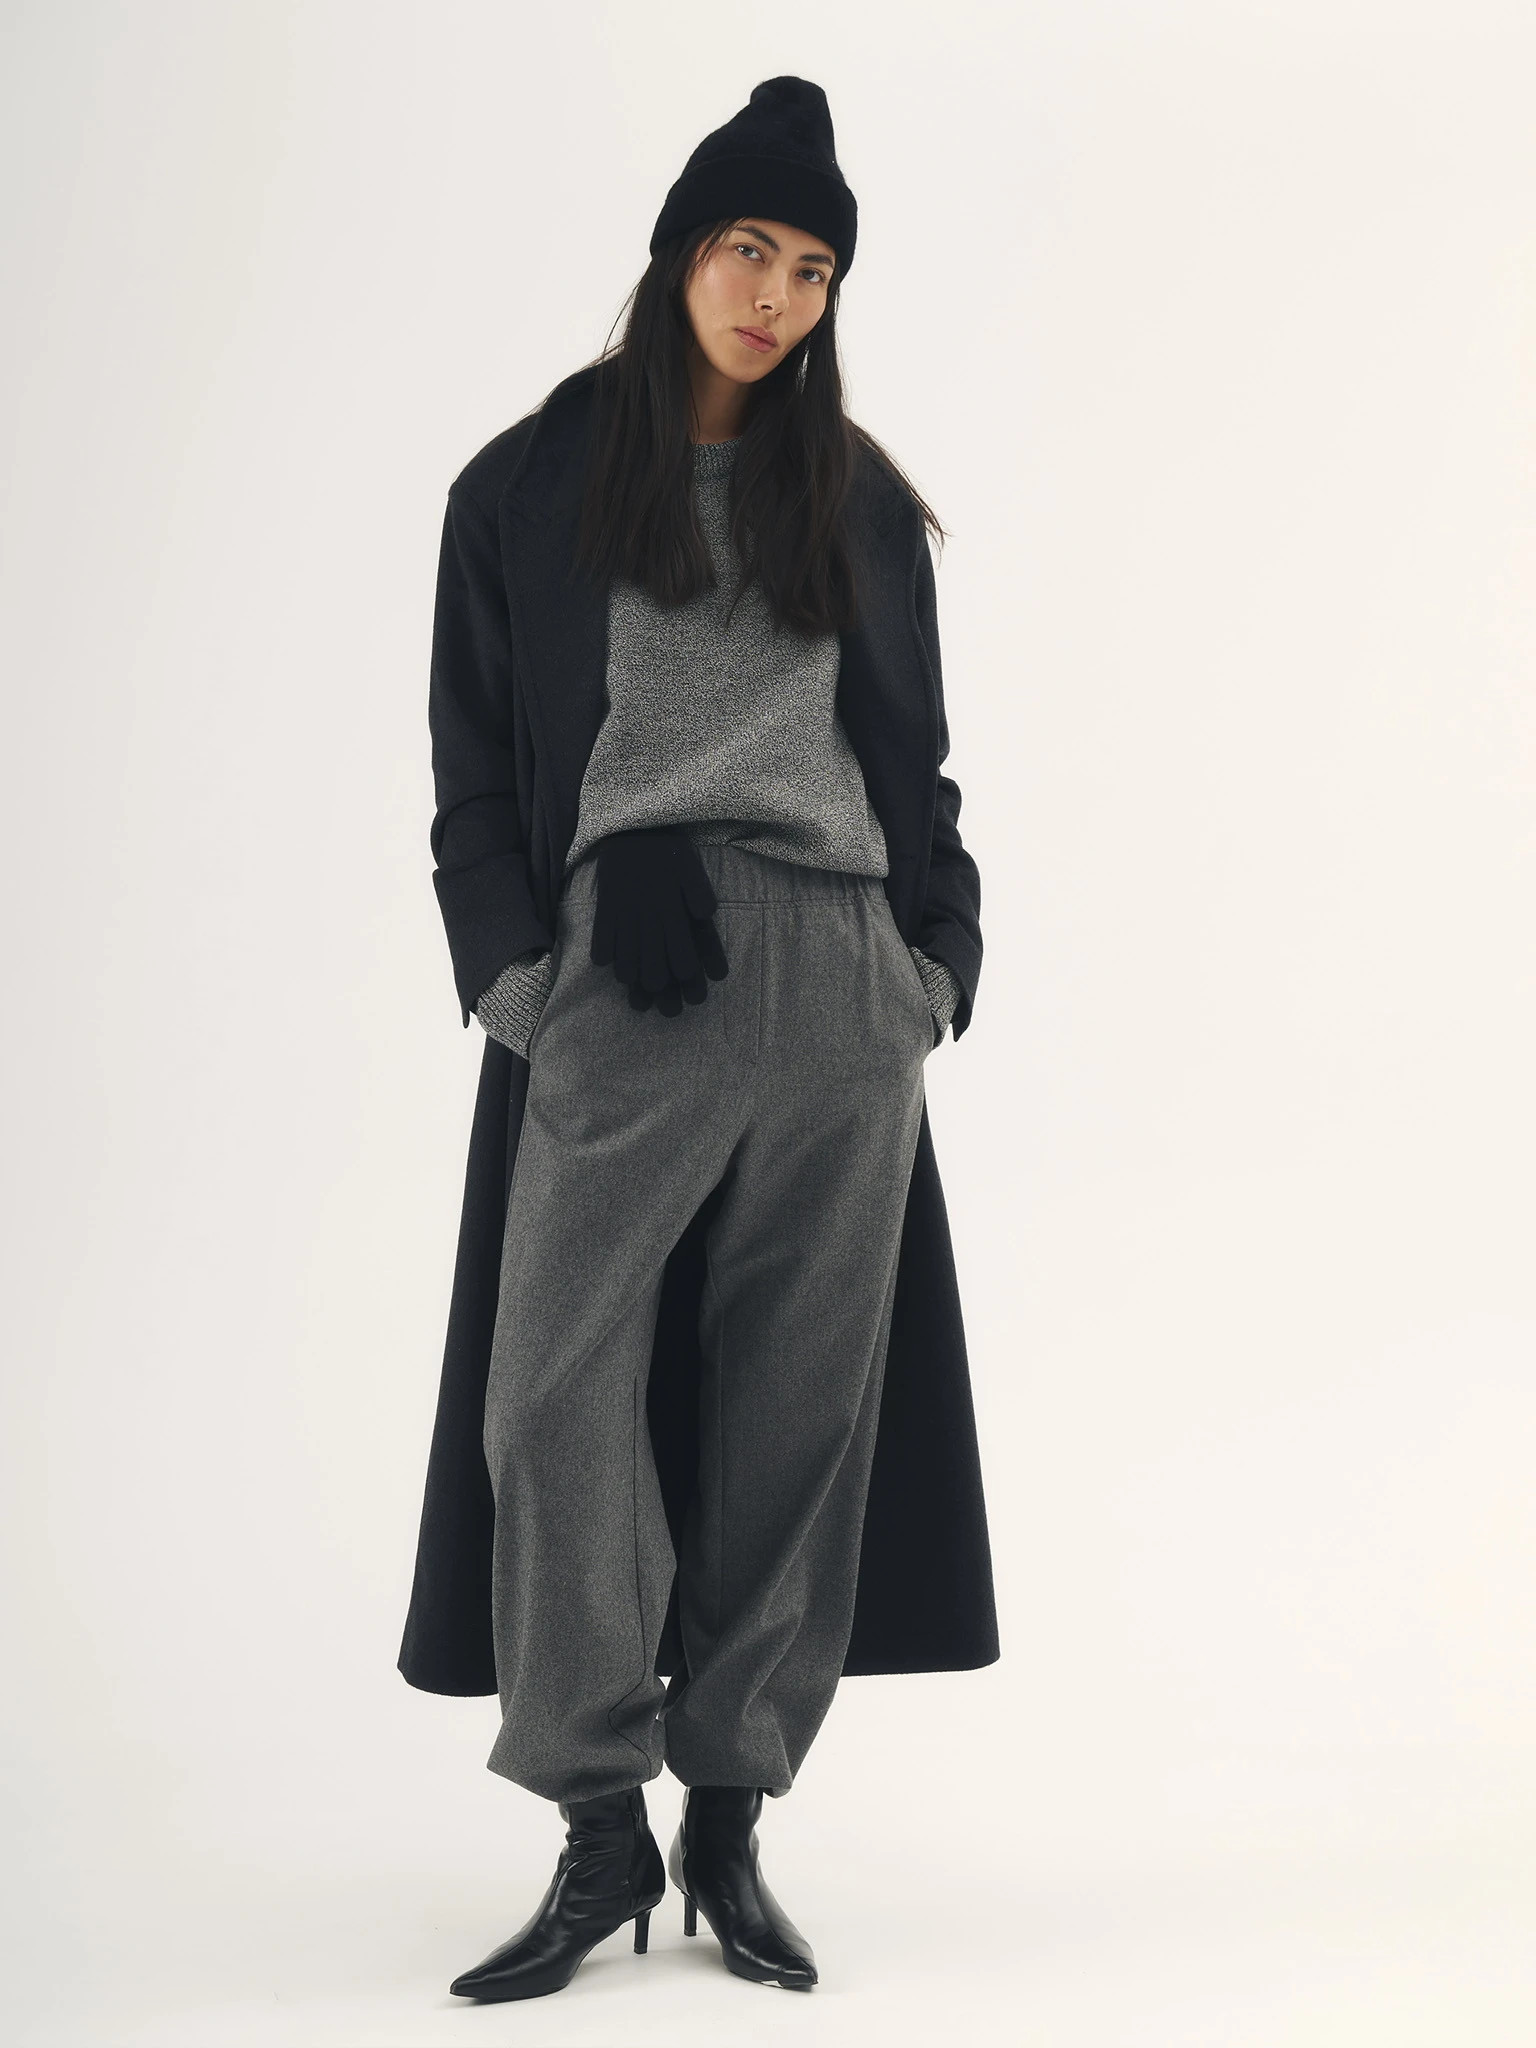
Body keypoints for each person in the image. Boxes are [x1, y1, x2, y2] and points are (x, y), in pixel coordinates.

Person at [411, 75, 994, 2003]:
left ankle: (730, 1816)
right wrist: (520, 980)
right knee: (549, 1392)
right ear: (679, 252)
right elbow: (471, 770)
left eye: (813, 269)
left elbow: (915, 763)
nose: (775, 296)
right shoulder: (528, 485)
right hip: (624, 983)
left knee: (798, 1415)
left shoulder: (863, 503)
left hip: (840, 985)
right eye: (750, 249)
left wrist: (934, 964)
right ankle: (598, 1823)